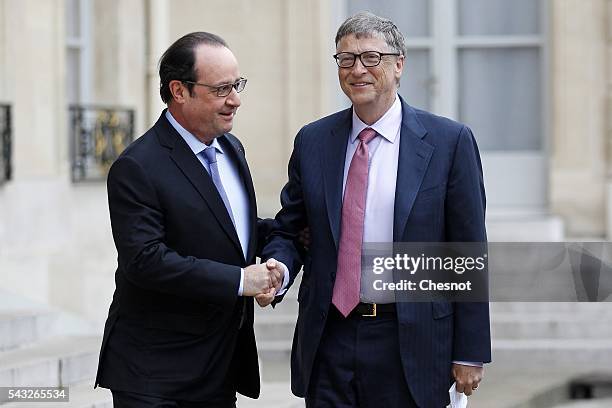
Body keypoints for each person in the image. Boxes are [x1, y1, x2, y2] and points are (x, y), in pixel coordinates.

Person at [259, 12, 491, 408]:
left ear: (398, 65)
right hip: (329, 336)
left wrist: (469, 351)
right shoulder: (314, 141)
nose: (356, 70)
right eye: (345, 59)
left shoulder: (449, 142)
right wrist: (278, 270)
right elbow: (290, 229)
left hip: (409, 340)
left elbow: (466, 252)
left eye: (370, 57)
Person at [95, 31, 283, 408]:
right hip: (154, 375)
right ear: (179, 91)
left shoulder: (231, 147)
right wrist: (240, 280)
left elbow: (234, 231)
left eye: (237, 85)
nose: (235, 100)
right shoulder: (137, 166)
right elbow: (145, 260)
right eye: (221, 89)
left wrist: (283, 249)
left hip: (219, 367)